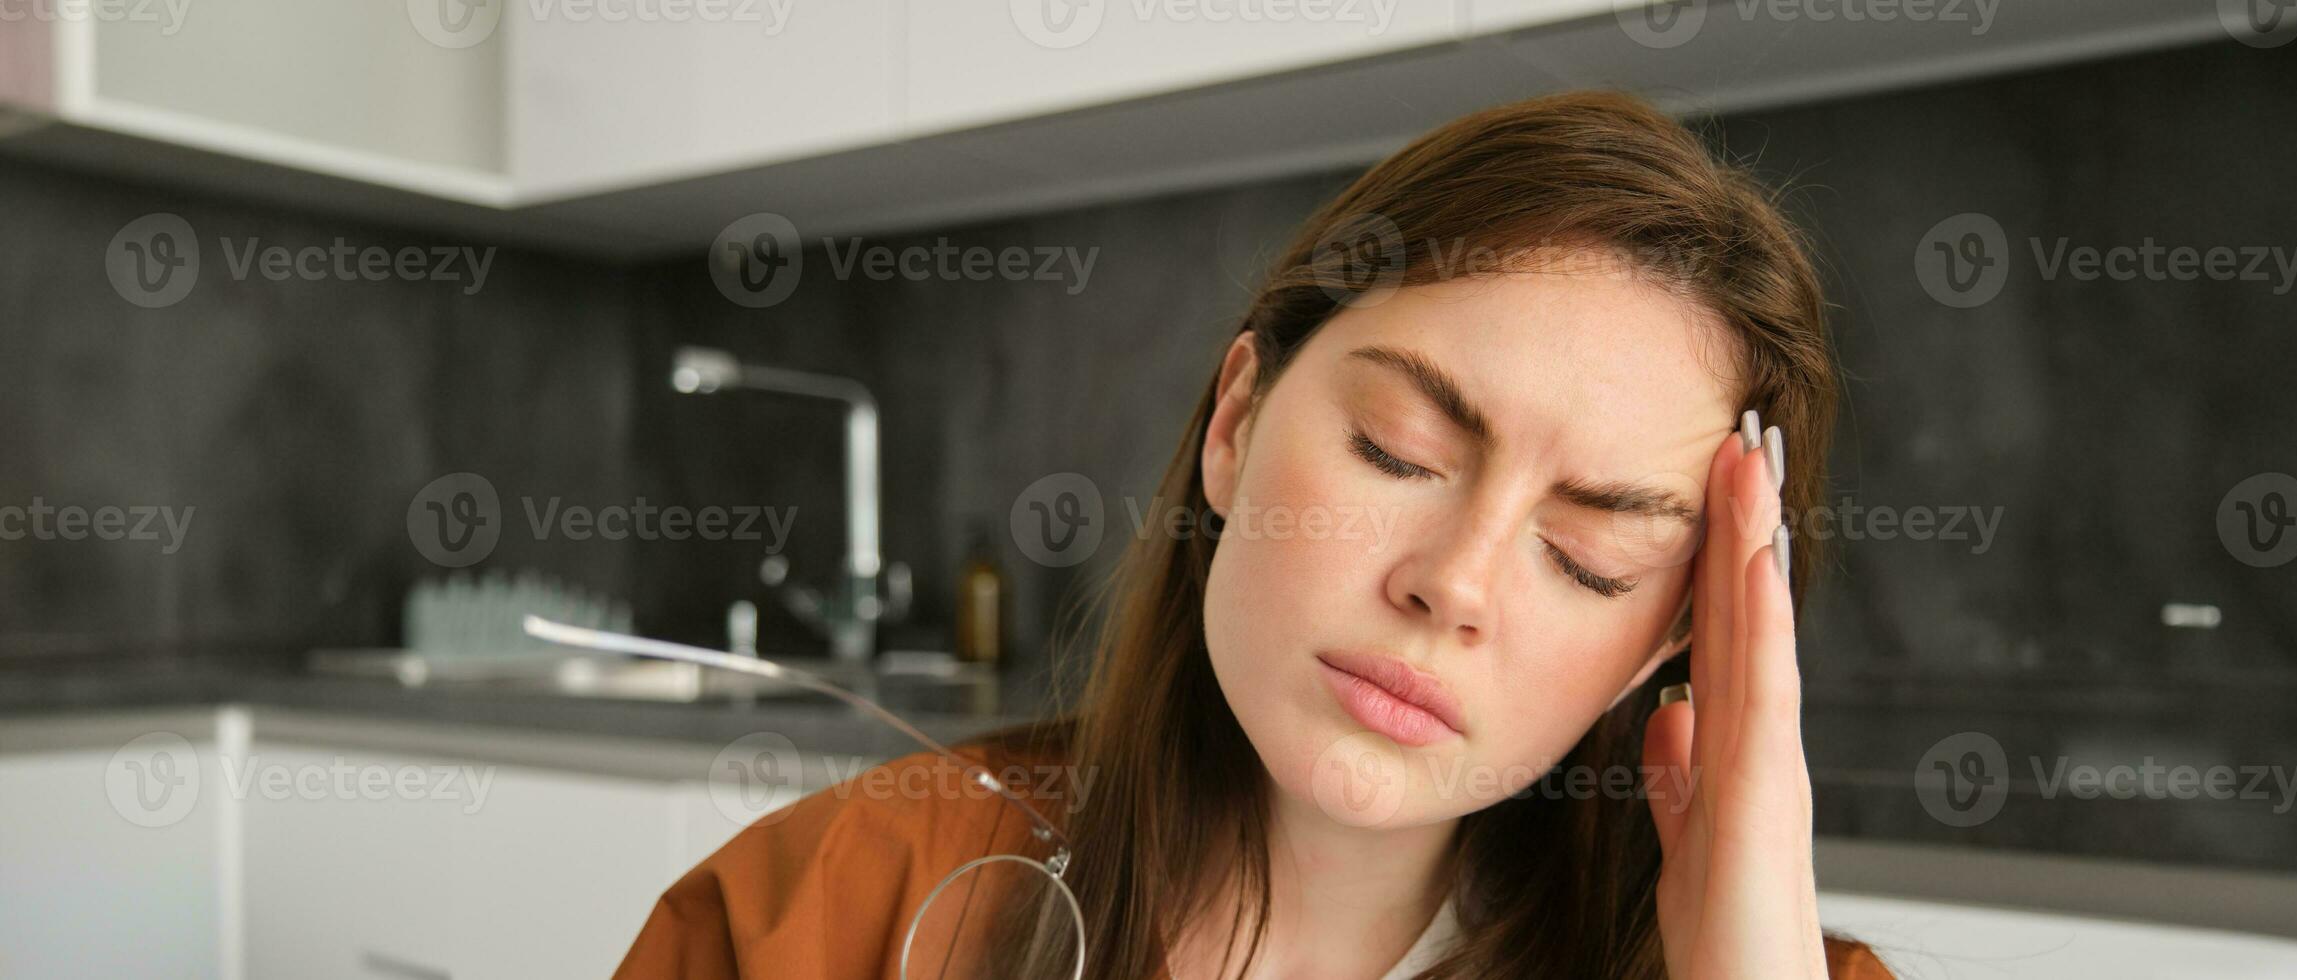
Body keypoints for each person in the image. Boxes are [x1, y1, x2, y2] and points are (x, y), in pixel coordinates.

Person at [615, 89, 1892, 980]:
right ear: (1237, 420)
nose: (1452, 584)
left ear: (1665, 633)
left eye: (1588, 555)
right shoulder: (821, 907)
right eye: (1397, 450)